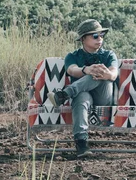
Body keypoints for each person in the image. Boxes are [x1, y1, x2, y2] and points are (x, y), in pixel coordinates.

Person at [48, 19, 118, 158]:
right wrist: (86, 70)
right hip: (82, 95)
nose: (100, 39)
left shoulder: (109, 55)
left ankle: (64, 94)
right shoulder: (73, 56)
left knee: (98, 72)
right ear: (83, 39)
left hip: (103, 97)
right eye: (95, 36)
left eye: (101, 35)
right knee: (81, 97)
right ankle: (81, 144)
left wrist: (105, 73)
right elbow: (72, 70)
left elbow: (113, 74)